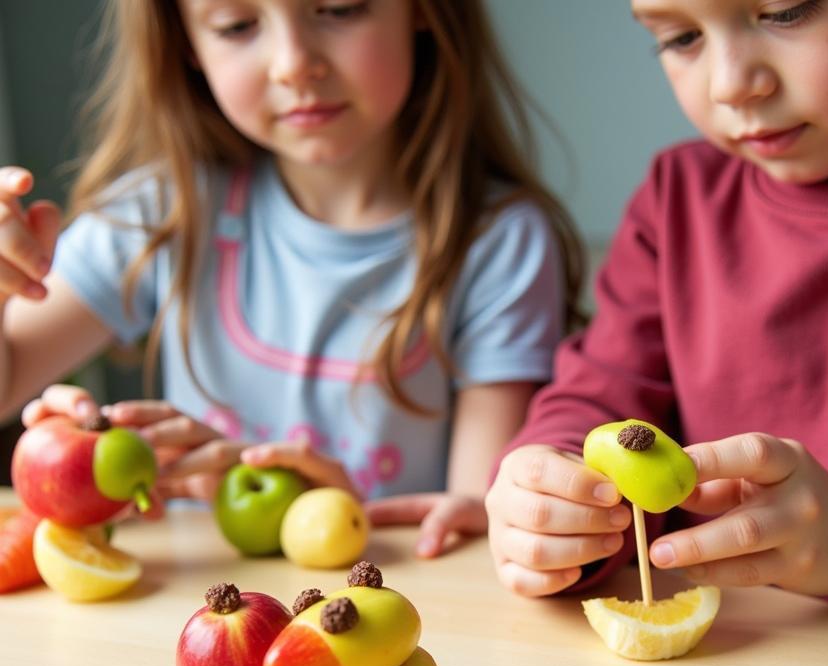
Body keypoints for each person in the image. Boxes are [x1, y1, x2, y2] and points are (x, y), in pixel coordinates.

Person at [485, 0, 828, 666]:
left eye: (784, 12)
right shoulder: (676, 202)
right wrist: (551, 496)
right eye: (681, 38)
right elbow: (597, 399)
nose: (730, 85)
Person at [0, 0, 584, 556]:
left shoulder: (499, 241)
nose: (293, 63)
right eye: (235, 25)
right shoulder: (163, 213)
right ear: (185, 44)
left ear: (424, 10)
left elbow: (472, 522)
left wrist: (329, 510)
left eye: (338, 9)